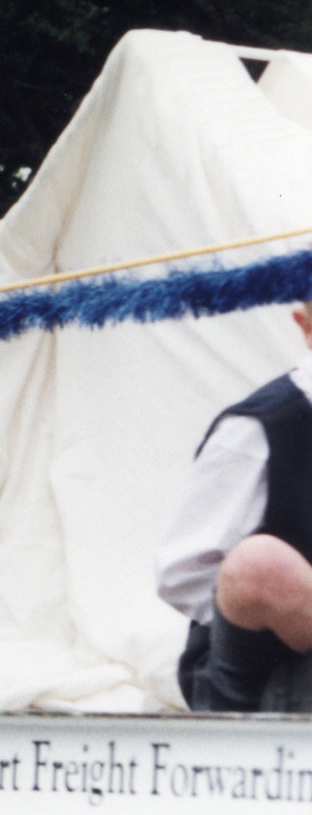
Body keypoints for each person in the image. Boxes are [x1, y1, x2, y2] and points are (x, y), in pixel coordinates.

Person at [156, 302, 312, 711]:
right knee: (261, 565)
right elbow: (183, 571)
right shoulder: (259, 430)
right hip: (266, 677)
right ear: (305, 325)